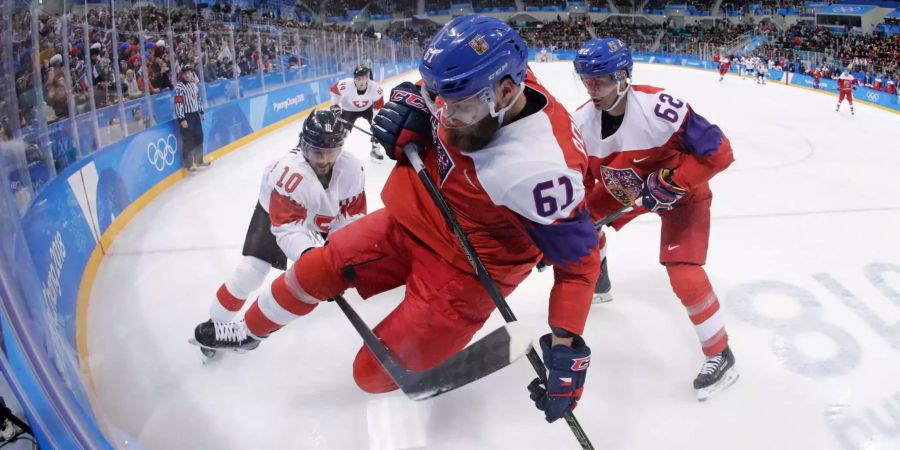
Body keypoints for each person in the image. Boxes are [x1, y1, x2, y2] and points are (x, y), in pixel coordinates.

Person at [193, 15, 600, 424]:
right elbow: (426, 95)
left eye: (460, 106)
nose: (447, 115)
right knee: (315, 267)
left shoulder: (544, 172)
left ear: (508, 91)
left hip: (466, 271)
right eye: (442, 99)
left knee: (369, 375)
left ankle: (439, 349)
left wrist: (567, 346)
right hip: (413, 219)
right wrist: (410, 102)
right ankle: (248, 332)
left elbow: (581, 264)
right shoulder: (482, 76)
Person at [571, 37, 738, 401]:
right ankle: (599, 280)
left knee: (682, 268)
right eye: (586, 80)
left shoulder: (661, 108)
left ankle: (720, 353)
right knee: (579, 223)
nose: (591, 88)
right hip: (627, 186)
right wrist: (563, 233)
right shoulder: (581, 123)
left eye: (599, 79)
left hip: (683, 194)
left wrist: (675, 182)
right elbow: (580, 187)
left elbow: (721, 152)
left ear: (624, 77)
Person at [195, 109, 366, 359]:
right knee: (251, 271)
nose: (324, 159)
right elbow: (288, 228)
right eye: (317, 151)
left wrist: (335, 257)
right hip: (275, 208)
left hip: (320, 213)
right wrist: (312, 258)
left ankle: (252, 329)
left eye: (331, 151)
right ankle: (215, 325)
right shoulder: (288, 175)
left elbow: (352, 217)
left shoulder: (351, 169)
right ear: (304, 144)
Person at [329, 65, 385, 162]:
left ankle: (375, 149)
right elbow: (334, 90)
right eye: (359, 79)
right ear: (354, 79)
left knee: (379, 127)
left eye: (364, 78)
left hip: (368, 109)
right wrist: (335, 105)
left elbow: (377, 109)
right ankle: (335, 153)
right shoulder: (345, 85)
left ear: (368, 78)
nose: (362, 81)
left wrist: (376, 125)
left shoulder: (376, 89)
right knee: (343, 132)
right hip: (349, 109)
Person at [174, 66, 208, 171]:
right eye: (185, 74)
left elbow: (197, 100)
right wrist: (182, 119)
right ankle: (188, 165)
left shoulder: (194, 85)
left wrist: (201, 111)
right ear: (182, 75)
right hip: (186, 116)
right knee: (188, 140)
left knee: (199, 137)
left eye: (189, 73)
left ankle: (199, 161)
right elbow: (178, 103)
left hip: (195, 115)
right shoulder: (179, 87)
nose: (188, 75)